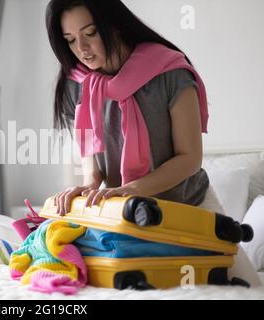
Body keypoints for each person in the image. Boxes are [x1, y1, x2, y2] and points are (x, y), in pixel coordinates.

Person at [45, 0, 261, 287]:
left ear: (114, 25)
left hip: (190, 207)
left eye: (91, 33)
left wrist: (128, 189)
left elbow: (189, 158)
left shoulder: (170, 72)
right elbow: (93, 159)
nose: (81, 49)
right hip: (128, 213)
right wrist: (88, 185)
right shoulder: (76, 84)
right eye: (70, 40)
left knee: (247, 286)